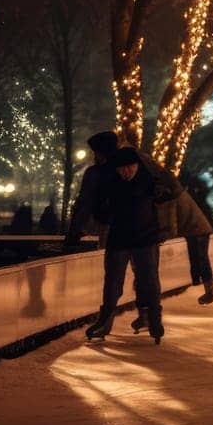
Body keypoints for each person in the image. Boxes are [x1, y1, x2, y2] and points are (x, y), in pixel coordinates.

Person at [84, 147, 180, 344]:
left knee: (149, 280)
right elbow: (100, 209)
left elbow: (175, 190)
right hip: (119, 240)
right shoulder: (111, 184)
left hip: (146, 239)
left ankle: (153, 319)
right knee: (112, 281)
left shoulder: (151, 182)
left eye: (130, 167)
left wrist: (160, 175)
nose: (126, 172)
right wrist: (104, 214)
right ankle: (105, 320)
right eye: (121, 169)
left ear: (138, 165)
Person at [66, 131, 120, 251]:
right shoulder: (121, 170)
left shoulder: (95, 173)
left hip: (104, 222)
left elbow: (85, 201)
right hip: (120, 223)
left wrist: (75, 231)